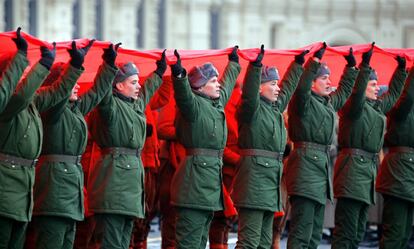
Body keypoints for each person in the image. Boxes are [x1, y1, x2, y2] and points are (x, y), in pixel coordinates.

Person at [0, 28, 87, 249]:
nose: (28, 80)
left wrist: (75, 66)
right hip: (5, 192)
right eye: (23, 74)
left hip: (22, 193)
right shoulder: (8, 106)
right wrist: (27, 59)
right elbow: (19, 95)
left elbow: (58, 92)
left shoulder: (33, 103)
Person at [29, 42, 119, 248]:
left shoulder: (74, 108)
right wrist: (75, 64)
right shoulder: (52, 109)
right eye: (73, 81)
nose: (78, 85)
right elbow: (60, 93)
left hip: (70, 188)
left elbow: (96, 93)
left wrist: (109, 64)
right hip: (54, 187)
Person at [86, 49, 167, 249]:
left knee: (123, 241)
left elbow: (147, 90)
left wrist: (159, 72)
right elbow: (102, 90)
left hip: (129, 186)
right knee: (113, 242)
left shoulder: (134, 105)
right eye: (133, 82)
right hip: (113, 183)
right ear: (119, 85)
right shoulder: (109, 107)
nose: (138, 86)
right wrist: (108, 66)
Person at [332, 44, 408, 249]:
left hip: (365, 175)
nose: (377, 88)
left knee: (357, 233)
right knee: (346, 234)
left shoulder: (376, 107)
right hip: (351, 172)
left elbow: (393, 95)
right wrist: (364, 66)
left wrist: (401, 71)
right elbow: (356, 93)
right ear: (362, 85)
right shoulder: (353, 107)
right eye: (372, 84)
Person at [285, 43, 359, 249]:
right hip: (305, 172)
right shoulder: (302, 103)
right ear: (312, 83)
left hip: (319, 174)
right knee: (302, 234)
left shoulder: (327, 104)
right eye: (324, 78)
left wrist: (351, 68)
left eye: (329, 78)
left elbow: (344, 91)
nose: (329, 82)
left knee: (314, 235)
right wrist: (313, 62)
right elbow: (300, 87)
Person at [232, 45, 307, 248]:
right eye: (273, 84)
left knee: (264, 243)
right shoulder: (251, 109)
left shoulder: (274, 109)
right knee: (249, 242)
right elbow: (248, 94)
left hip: (269, 184)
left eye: (277, 84)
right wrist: (255, 67)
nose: (278, 88)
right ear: (259, 87)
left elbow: (289, 87)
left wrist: (298, 64)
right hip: (254, 182)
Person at [169, 47, 241, 248]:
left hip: (208, 186)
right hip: (194, 185)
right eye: (212, 81)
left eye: (217, 80)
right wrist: (178, 74)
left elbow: (226, 86)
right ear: (200, 87)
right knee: (190, 243)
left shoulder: (215, 104)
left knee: (200, 241)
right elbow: (183, 95)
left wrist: (234, 63)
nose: (218, 85)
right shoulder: (193, 106)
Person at [375, 62, 414, 249]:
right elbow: (407, 98)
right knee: (395, 236)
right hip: (398, 175)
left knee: (405, 235)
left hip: (409, 175)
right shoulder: (399, 108)